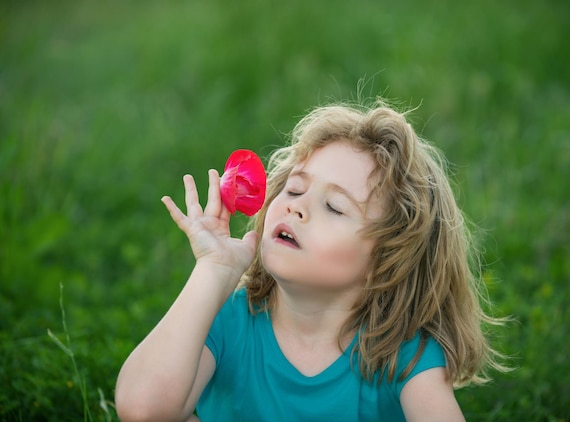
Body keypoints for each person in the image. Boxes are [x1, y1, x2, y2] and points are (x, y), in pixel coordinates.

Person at [115, 100, 505, 421]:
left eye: (334, 207)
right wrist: (213, 270)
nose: (296, 207)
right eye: (294, 188)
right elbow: (143, 410)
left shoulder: (402, 354)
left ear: (387, 258)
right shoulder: (229, 321)